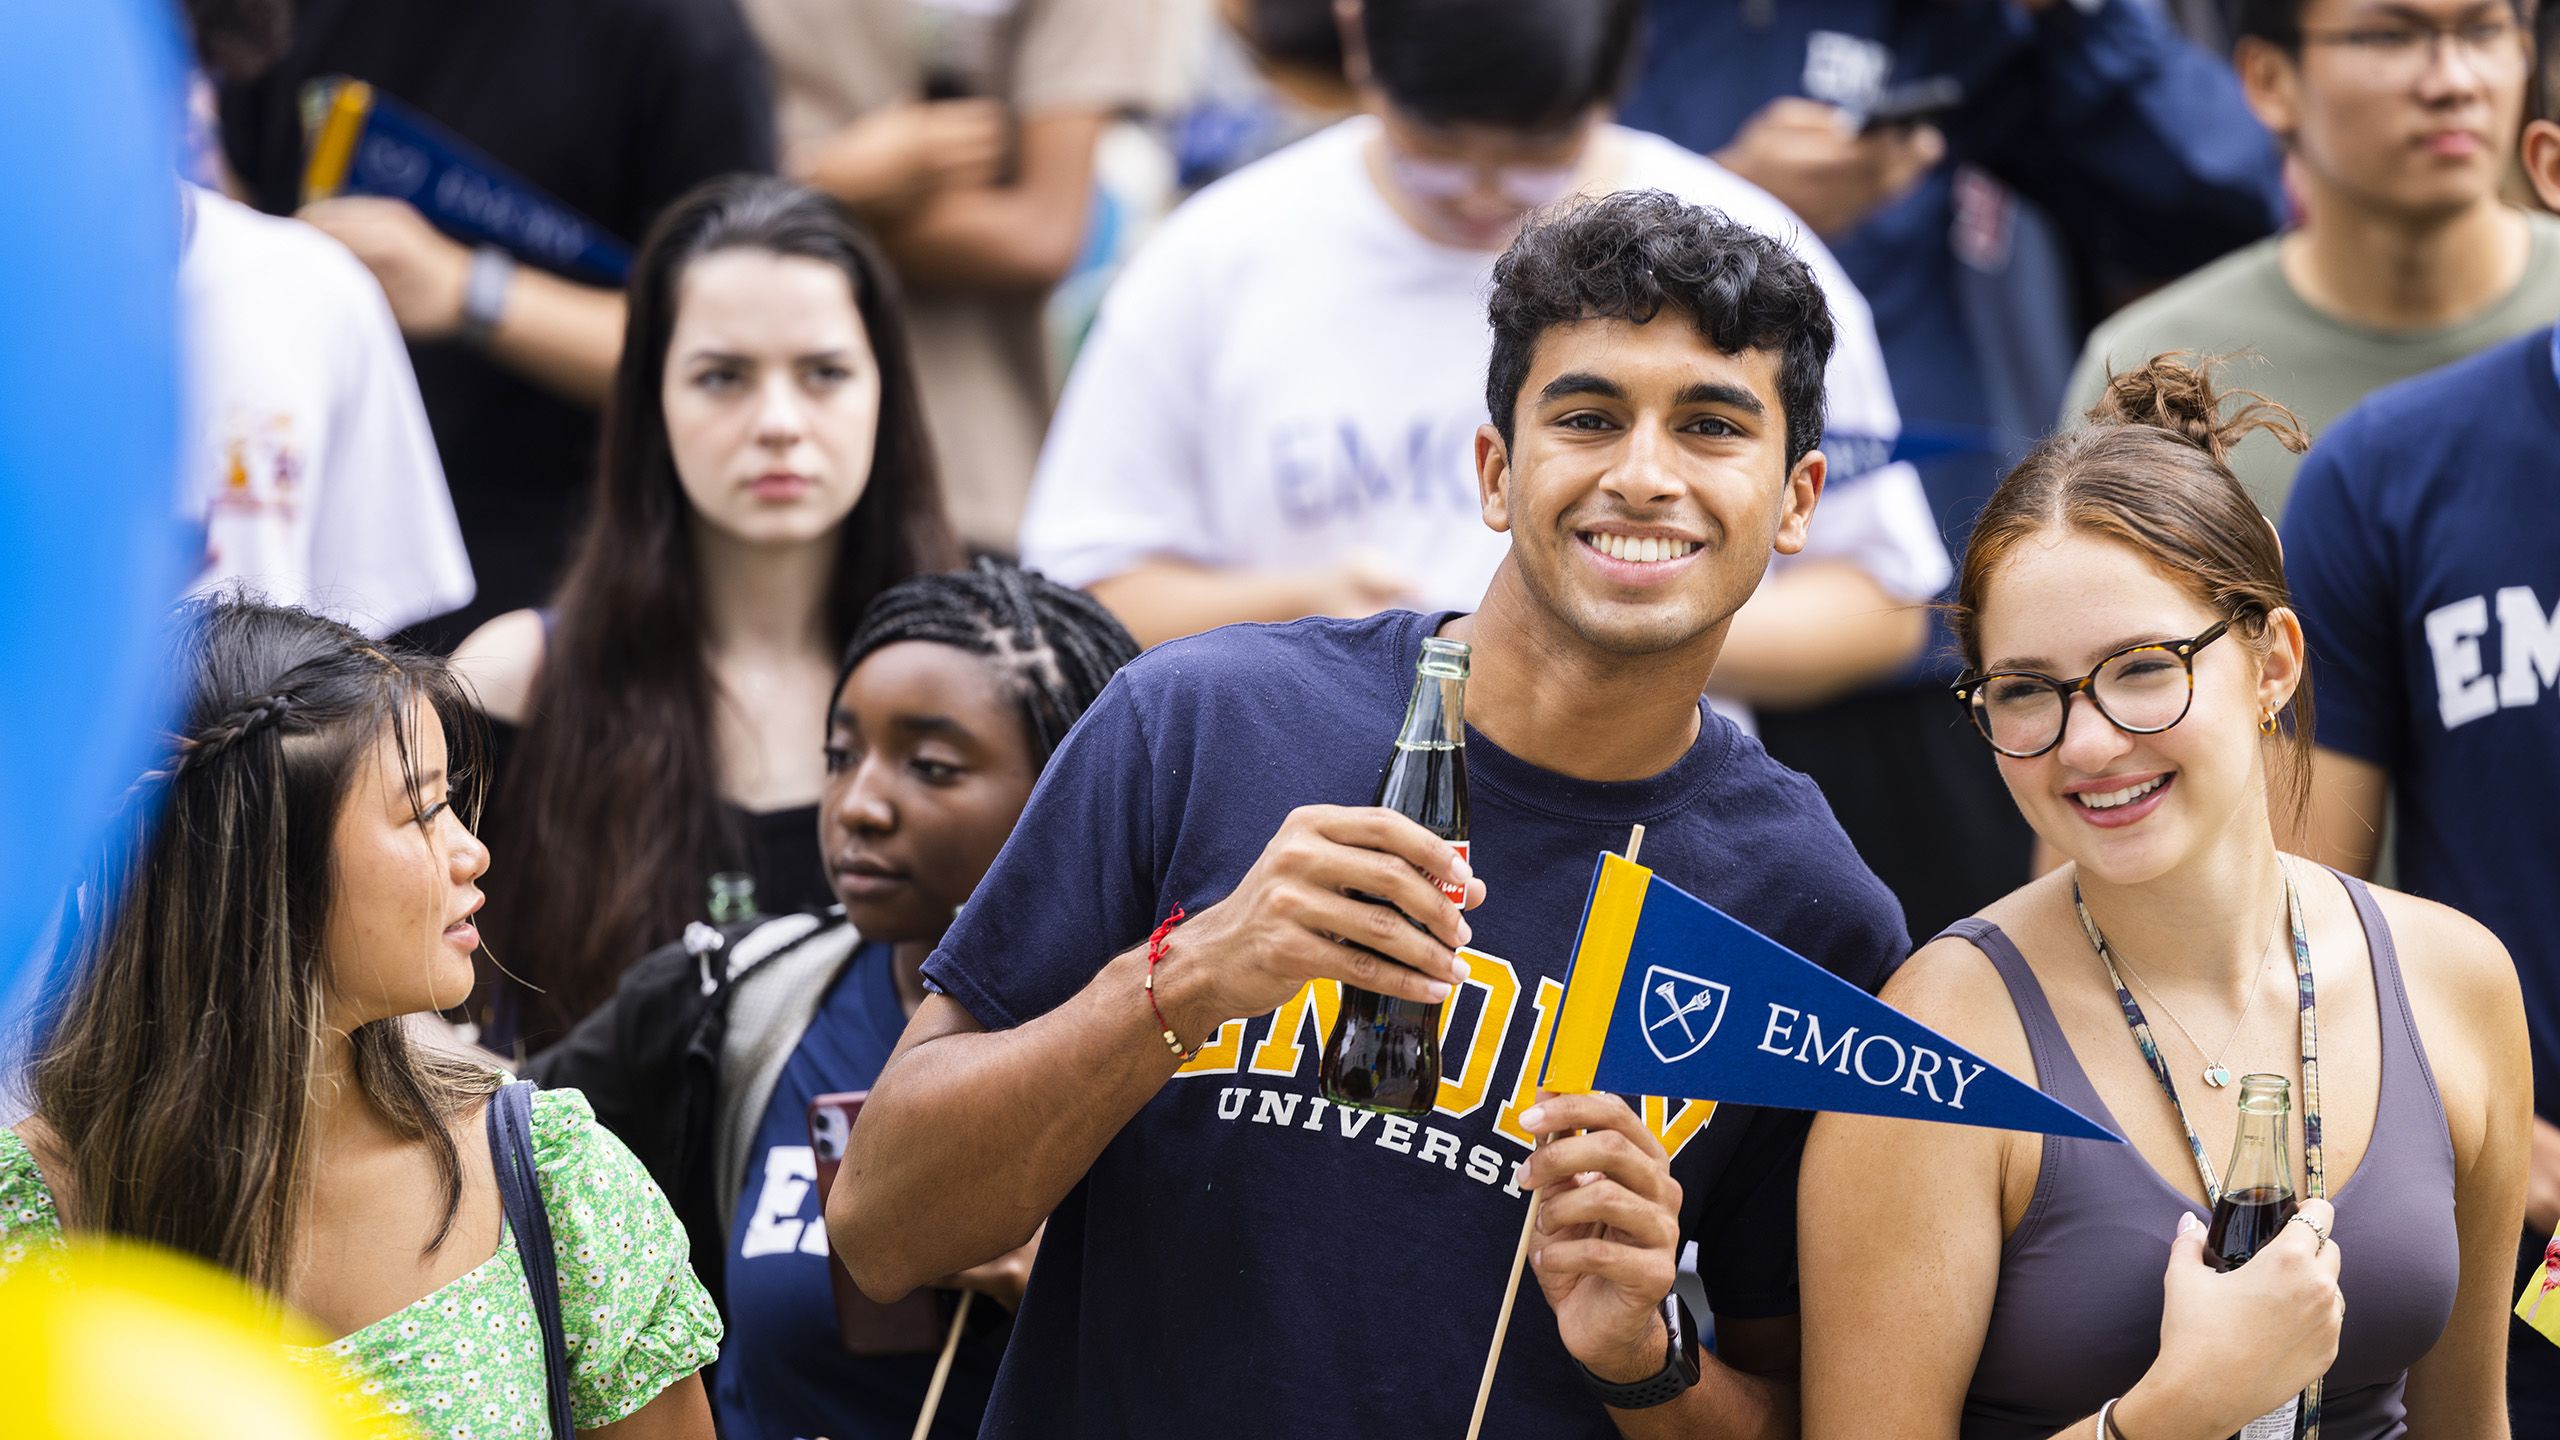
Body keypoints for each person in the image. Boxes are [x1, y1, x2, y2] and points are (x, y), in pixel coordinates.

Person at [832, 192, 1911, 1437]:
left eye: (1713, 426)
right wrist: (1183, 985)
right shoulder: (1199, 718)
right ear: (1496, 472)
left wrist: (1642, 1357)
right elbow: (882, 1225)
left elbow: (1810, 1413)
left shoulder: (1809, 910)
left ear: (1796, 500)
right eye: (1587, 416)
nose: (1643, 474)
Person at [1798, 357, 2528, 1437]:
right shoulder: (1936, 1042)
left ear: (2270, 661)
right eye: (2025, 691)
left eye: (2143, 667)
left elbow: (2470, 1422)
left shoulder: (2454, 978)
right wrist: (2167, 1416)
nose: (2087, 743)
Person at [1022, 0, 1949, 749]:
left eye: (1536, 159)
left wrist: (1617, 626)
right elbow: (1077, 592)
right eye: (1435, 149)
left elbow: (1882, 602)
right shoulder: (1215, 258)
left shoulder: (1743, 256)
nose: (1479, 192)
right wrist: (1312, 616)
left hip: (1629, 806)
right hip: (1279, 777)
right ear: (1356, 34)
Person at [1611, 0, 2288, 940]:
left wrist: (2076, 16)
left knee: (1980, 1007)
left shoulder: (1955, 26)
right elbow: (1484, 259)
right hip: (1672, 657)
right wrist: (1717, 215)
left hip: (1959, 660)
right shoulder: (1612, 34)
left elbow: (2225, 193)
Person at [0, 598, 721, 1434]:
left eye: (453, 802)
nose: (471, 850)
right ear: (257, 869)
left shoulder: (555, 1187)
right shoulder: (28, 1227)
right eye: (420, 811)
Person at [533, 560, 1140, 1439]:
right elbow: (499, 1158)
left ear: (1072, 791)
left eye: (929, 766)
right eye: (840, 756)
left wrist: (1075, 1285)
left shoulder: (1184, 1039)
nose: (857, 805)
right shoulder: (734, 999)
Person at [455, 175, 959, 1053]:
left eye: (825, 374)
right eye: (722, 377)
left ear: (886, 390)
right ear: (652, 399)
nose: (778, 422)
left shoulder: (983, 688)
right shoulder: (519, 681)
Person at [2281, 7, 2560, 1420]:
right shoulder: (2391, 469)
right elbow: (2297, 898)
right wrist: (2493, 1126)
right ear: (2550, 167)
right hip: (2518, 1229)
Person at [217, 0, 778, 645]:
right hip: (301, 592)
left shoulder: (683, 34)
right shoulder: (287, 15)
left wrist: (469, 291)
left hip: (565, 609)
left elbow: (740, 348)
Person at [2062, 0, 2560, 520]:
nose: (2454, 81)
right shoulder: (2154, 374)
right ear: (2270, 79)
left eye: (2484, 30)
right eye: (2391, 37)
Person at [757, 0, 1191, 554]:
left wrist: (799, 194)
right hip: (735, 474)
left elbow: (1042, 232)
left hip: (966, 483)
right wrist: (820, 186)